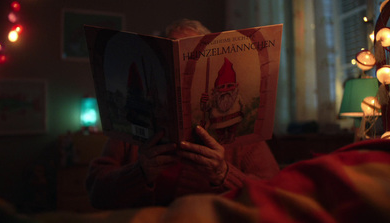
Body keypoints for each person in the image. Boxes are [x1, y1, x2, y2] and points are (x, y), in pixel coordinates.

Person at [85, 19, 280, 209]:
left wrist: (223, 173)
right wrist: (140, 172)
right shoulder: (134, 127)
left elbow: (273, 194)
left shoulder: (243, 132)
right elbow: (97, 193)